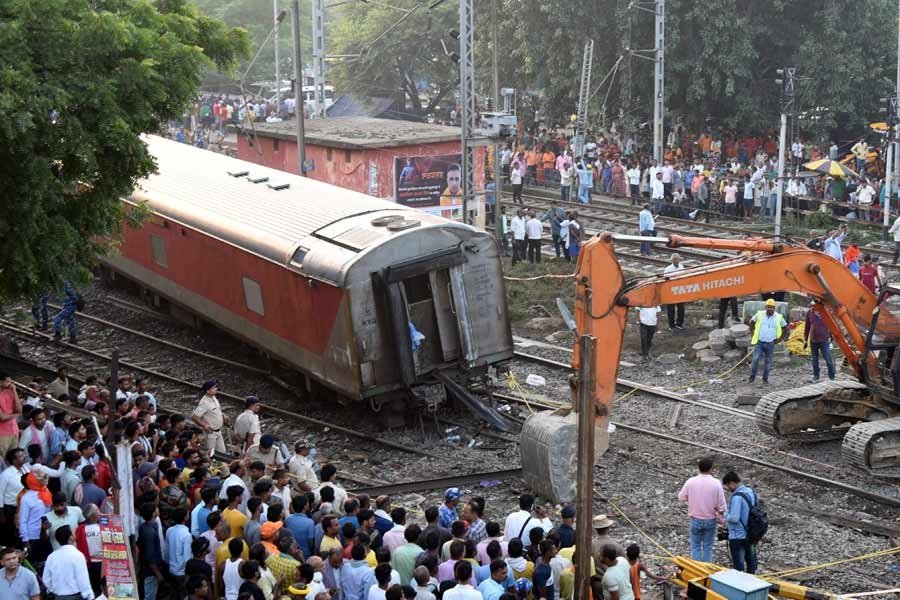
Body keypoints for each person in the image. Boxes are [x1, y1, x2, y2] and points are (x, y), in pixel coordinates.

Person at [677, 457, 726, 562]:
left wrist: (692, 498)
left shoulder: (691, 481)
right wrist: (723, 518)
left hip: (695, 518)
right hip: (710, 519)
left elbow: (681, 497)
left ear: (698, 468)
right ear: (711, 468)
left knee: (695, 546)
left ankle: (696, 570)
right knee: (708, 547)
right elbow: (722, 504)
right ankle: (706, 570)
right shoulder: (716, 483)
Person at [43, 525, 94, 600]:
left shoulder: (51, 557)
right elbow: (83, 579)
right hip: (75, 596)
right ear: (70, 538)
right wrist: (89, 596)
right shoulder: (77, 555)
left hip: (58, 596)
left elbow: (46, 579)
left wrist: (51, 590)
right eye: (72, 533)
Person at [722, 471, 758, 574]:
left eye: (728, 485)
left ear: (732, 483)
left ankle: (740, 585)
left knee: (739, 566)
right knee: (751, 562)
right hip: (750, 533)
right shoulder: (751, 492)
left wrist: (724, 514)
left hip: (738, 535)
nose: (728, 489)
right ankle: (752, 583)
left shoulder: (737, 497)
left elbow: (734, 518)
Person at [748, 299, 788, 384]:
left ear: (774, 308)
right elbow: (751, 322)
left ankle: (765, 379)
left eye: (772, 307)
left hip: (770, 343)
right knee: (755, 359)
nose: (770, 309)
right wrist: (752, 334)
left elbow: (785, 327)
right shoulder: (759, 314)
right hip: (760, 342)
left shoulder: (778, 317)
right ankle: (752, 377)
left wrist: (780, 339)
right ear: (765, 307)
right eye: (768, 307)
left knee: (768, 361)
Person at [192, 380, 230, 456]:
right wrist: (204, 425)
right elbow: (194, 417)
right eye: (213, 388)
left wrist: (223, 415)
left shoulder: (214, 398)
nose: (216, 389)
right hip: (210, 433)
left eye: (215, 387)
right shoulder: (204, 403)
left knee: (222, 453)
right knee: (211, 454)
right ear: (208, 391)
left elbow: (216, 410)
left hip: (219, 432)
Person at [804, 304, 836, 383]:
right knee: (814, 359)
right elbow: (807, 326)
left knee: (828, 358)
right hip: (813, 340)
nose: (814, 306)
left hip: (824, 340)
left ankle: (831, 376)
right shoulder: (809, 313)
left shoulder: (825, 312)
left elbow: (831, 325)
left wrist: (832, 337)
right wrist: (805, 339)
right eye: (813, 305)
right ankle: (816, 376)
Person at [0, 373, 22, 456]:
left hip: (14, 431)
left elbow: (19, 409)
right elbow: (2, 417)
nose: (10, 383)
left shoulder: (10, 392)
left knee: (12, 459)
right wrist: (15, 415)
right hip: (2, 434)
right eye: (7, 381)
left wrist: (14, 391)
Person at [663, 254, 685, 330]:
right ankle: (671, 325)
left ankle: (679, 323)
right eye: (675, 259)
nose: (676, 261)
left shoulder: (681, 267)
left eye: (677, 259)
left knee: (681, 308)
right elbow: (665, 280)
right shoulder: (668, 269)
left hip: (680, 290)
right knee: (671, 309)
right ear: (672, 260)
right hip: (671, 291)